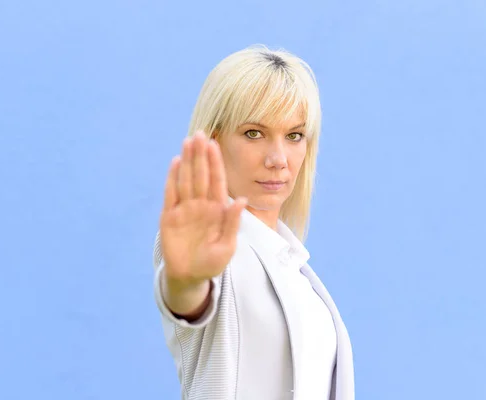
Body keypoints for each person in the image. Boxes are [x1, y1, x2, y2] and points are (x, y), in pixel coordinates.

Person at [152, 45, 354, 400]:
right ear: (214, 141)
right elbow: (188, 298)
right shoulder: (212, 244)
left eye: (294, 136)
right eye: (253, 133)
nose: (278, 159)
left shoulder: (293, 266)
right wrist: (186, 280)